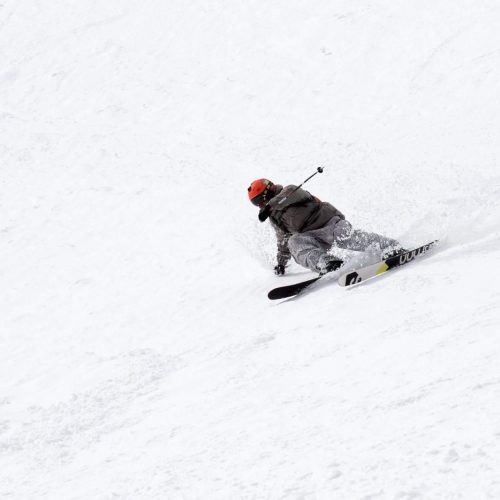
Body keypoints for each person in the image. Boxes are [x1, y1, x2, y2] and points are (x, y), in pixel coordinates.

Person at [247, 178, 404, 275]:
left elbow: (288, 196)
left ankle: (389, 247)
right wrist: (281, 263)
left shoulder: (290, 190)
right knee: (293, 242)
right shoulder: (274, 217)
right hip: (312, 237)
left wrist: (270, 206)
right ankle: (327, 263)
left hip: (330, 223)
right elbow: (283, 240)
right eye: (256, 204)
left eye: (259, 201)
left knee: (345, 238)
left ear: (267, 194)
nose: (260, 205)